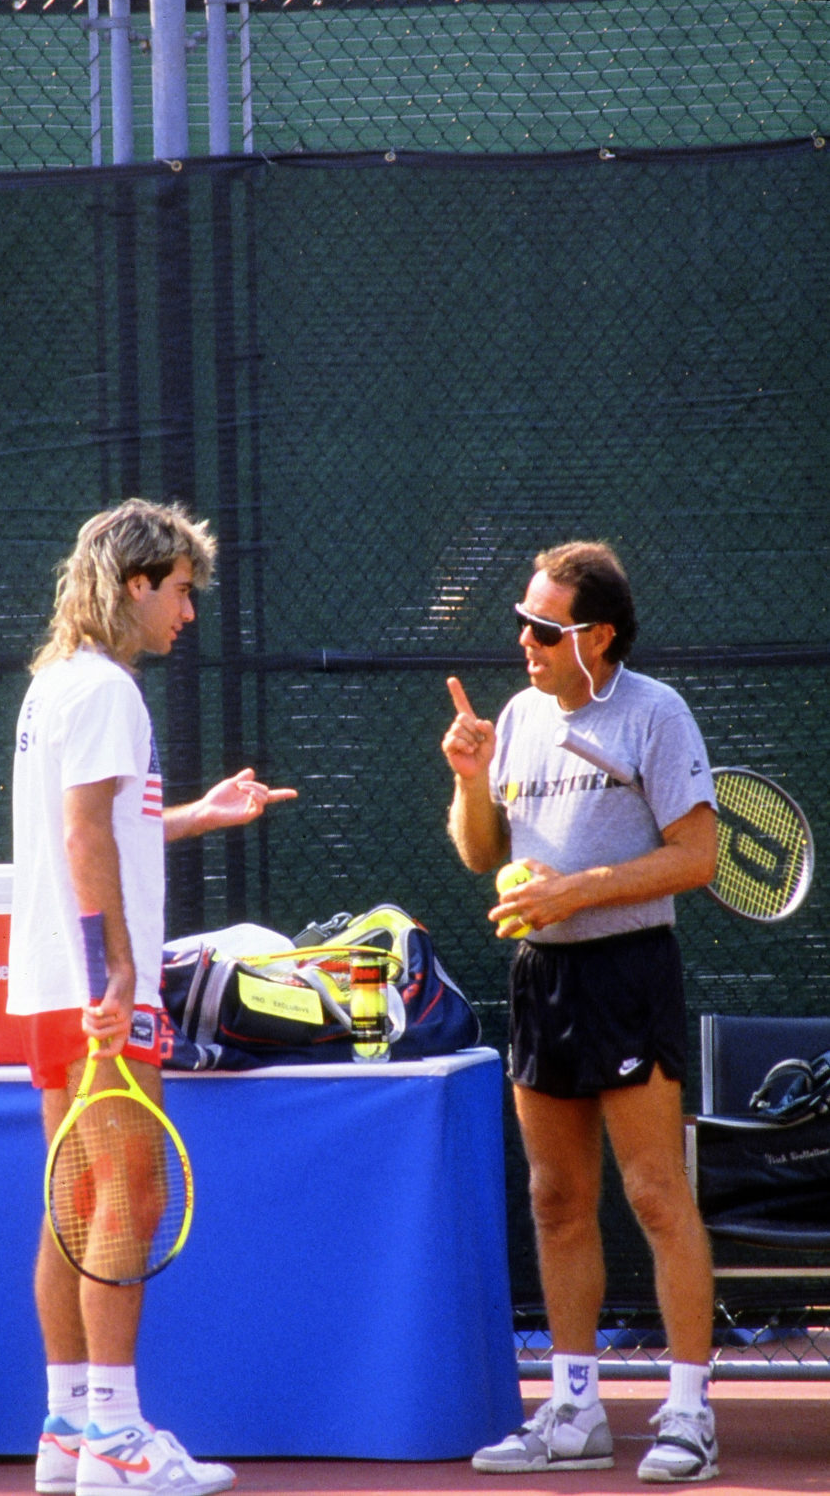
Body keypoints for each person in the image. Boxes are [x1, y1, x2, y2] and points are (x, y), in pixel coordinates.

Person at [7, 497, 297, 1496]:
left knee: (75, 1204)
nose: (189, 612)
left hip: (51, 983)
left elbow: (105, 828)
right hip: (92, 986)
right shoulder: (107, 691)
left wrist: (199, 816)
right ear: (136, 584)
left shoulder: (59, 687)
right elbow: (86, 840)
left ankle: (70, 1432)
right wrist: (118, 972)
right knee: (126, 1196)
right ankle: (120, 1439)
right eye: (181, 591)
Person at [441, 540, 719, 1484]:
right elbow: (482, 855)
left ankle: (687, 1413)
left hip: (629, 973)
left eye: (543, 628)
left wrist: (580, 892)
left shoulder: (654, 714)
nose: (523, 640)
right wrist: (468, 778)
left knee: (652, 1193)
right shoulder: (516, 716)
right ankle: (573, 1412)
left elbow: (696, 858)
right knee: (554, 1200)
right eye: (522, 624)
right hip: (541, 980)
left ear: (596, 636)